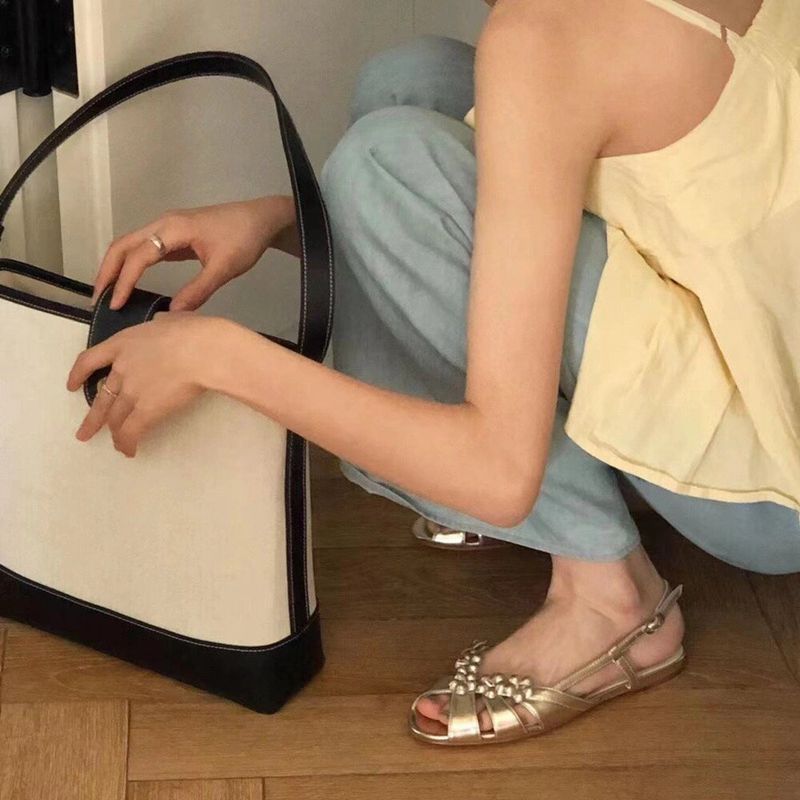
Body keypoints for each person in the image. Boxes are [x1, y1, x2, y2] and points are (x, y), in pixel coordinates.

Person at [66, 0, 800, 746]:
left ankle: (609, 597)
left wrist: (217, 356)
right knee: (406, 83)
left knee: (381, 167)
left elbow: (499, 473)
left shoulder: (541, 35)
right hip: (764, 340)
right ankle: (545, 478)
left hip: (772, 485)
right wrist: (284, 221)